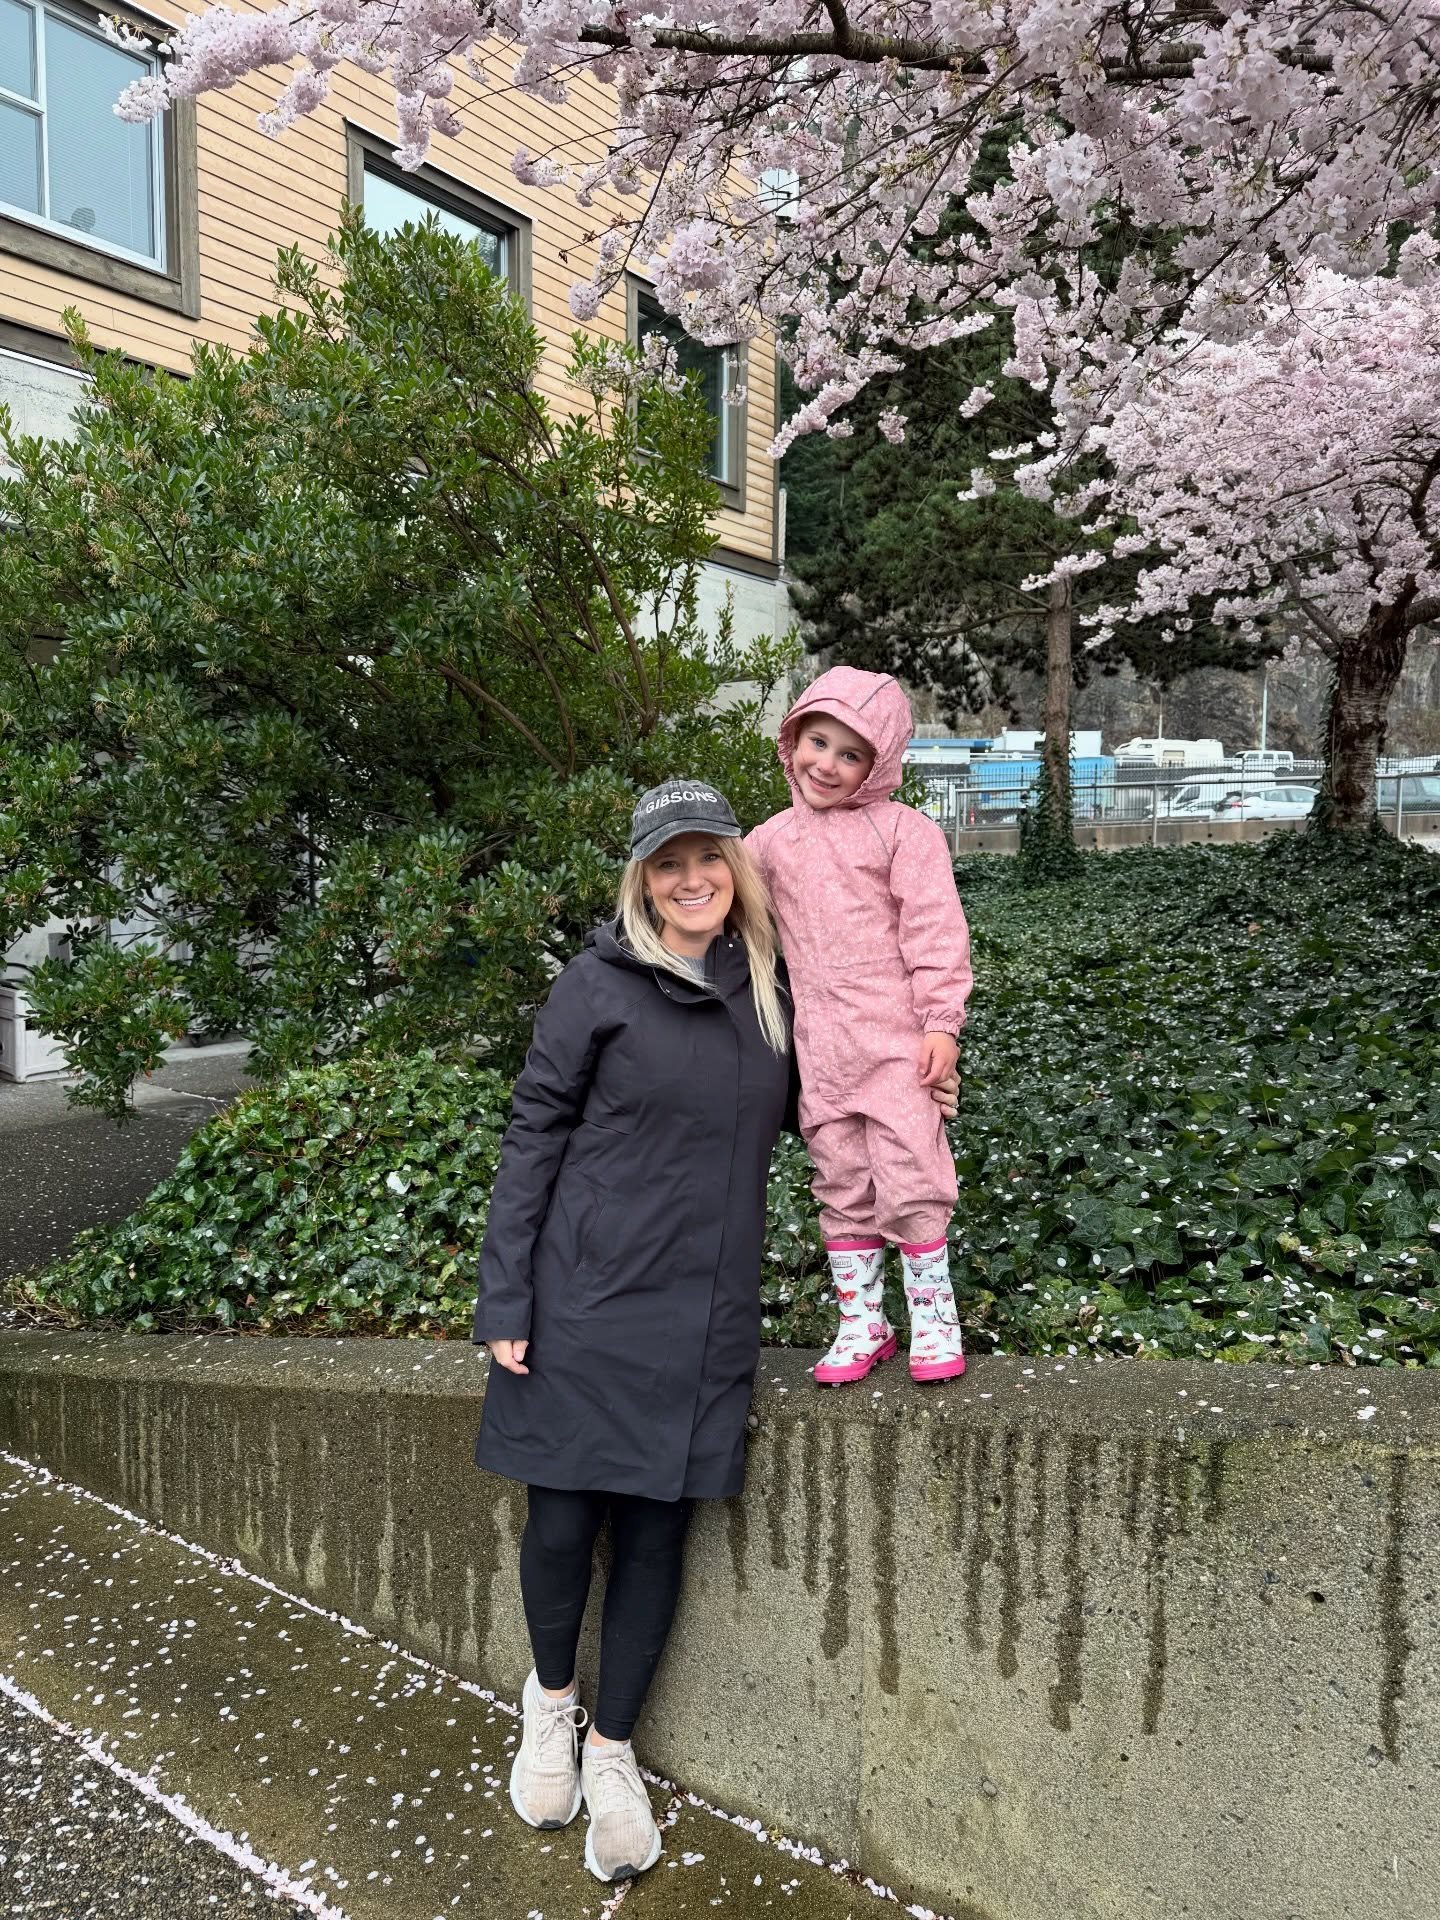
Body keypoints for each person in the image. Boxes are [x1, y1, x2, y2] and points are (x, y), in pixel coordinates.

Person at [472, 777, 955, 1885]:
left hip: (703, 1311)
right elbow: (533, 1135)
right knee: (561, 1522)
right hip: (582, 1299)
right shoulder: (594, 986)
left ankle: (612, 1749)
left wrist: (924, 1074)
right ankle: (548, 1708)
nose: (692, 879)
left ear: (737, 869)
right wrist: (506, 1296)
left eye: (709, 859)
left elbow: (836, 1106)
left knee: (655, 1536)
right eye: (667, 863)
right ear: (642, 879)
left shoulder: (775, 993)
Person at [747, 666, 974, 1387]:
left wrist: (942, 1023)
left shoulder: (905, 832)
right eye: (817, 741)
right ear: (792, 740)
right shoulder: (770, 841)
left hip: (899, 1046)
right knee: (839, 1178)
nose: (828, 765)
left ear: (880, 766)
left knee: (911, 1175)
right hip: (821, 1051)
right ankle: (862, 1321)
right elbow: (729, 910)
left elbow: (935, 929)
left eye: (851, 754)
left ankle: (934, 1317)